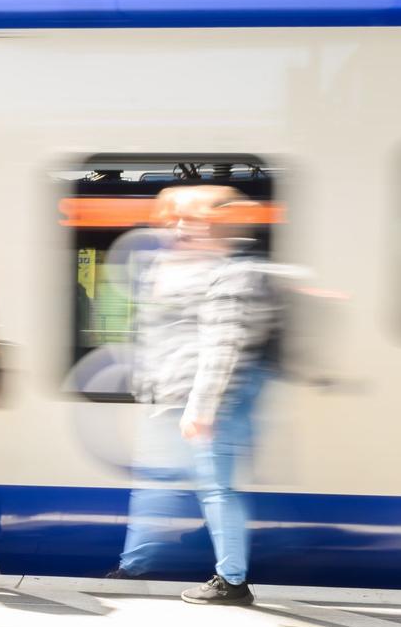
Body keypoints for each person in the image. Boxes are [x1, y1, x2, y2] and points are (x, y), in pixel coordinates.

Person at [110, 186, 280, 605]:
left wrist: (200, 409)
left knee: (216, 489)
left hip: (214, 400)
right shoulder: (197, 267)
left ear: (217, 225)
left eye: (192, 220)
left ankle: (231, 581)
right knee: (163, 483)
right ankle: (134, 567)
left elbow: (222, 348)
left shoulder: (233, 274)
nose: (179, 226)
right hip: (180, 396)